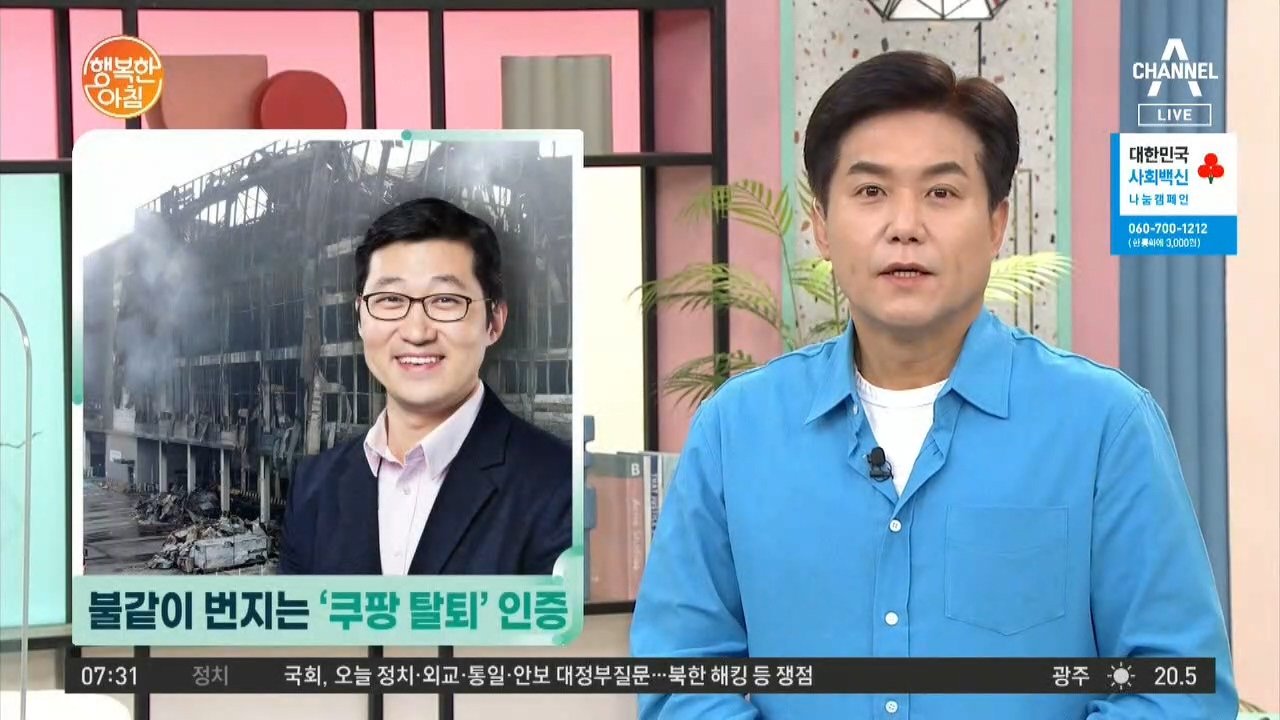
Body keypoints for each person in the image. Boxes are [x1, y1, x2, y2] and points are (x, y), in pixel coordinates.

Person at [630, 51, 1237, 718]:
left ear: (997, 223)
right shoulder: (737, 431)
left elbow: (1178, 684)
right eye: (871, 192)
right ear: (821, 226)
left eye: (941, 194)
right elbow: (680, 678)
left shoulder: (1103, 426)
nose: (905, 226)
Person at [280, 197, 571, 576]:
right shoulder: (313, 489)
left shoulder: (559, 486)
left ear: (495, 321)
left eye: (445, 300)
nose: (417, 332)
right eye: (389, 299)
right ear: (360, 318)